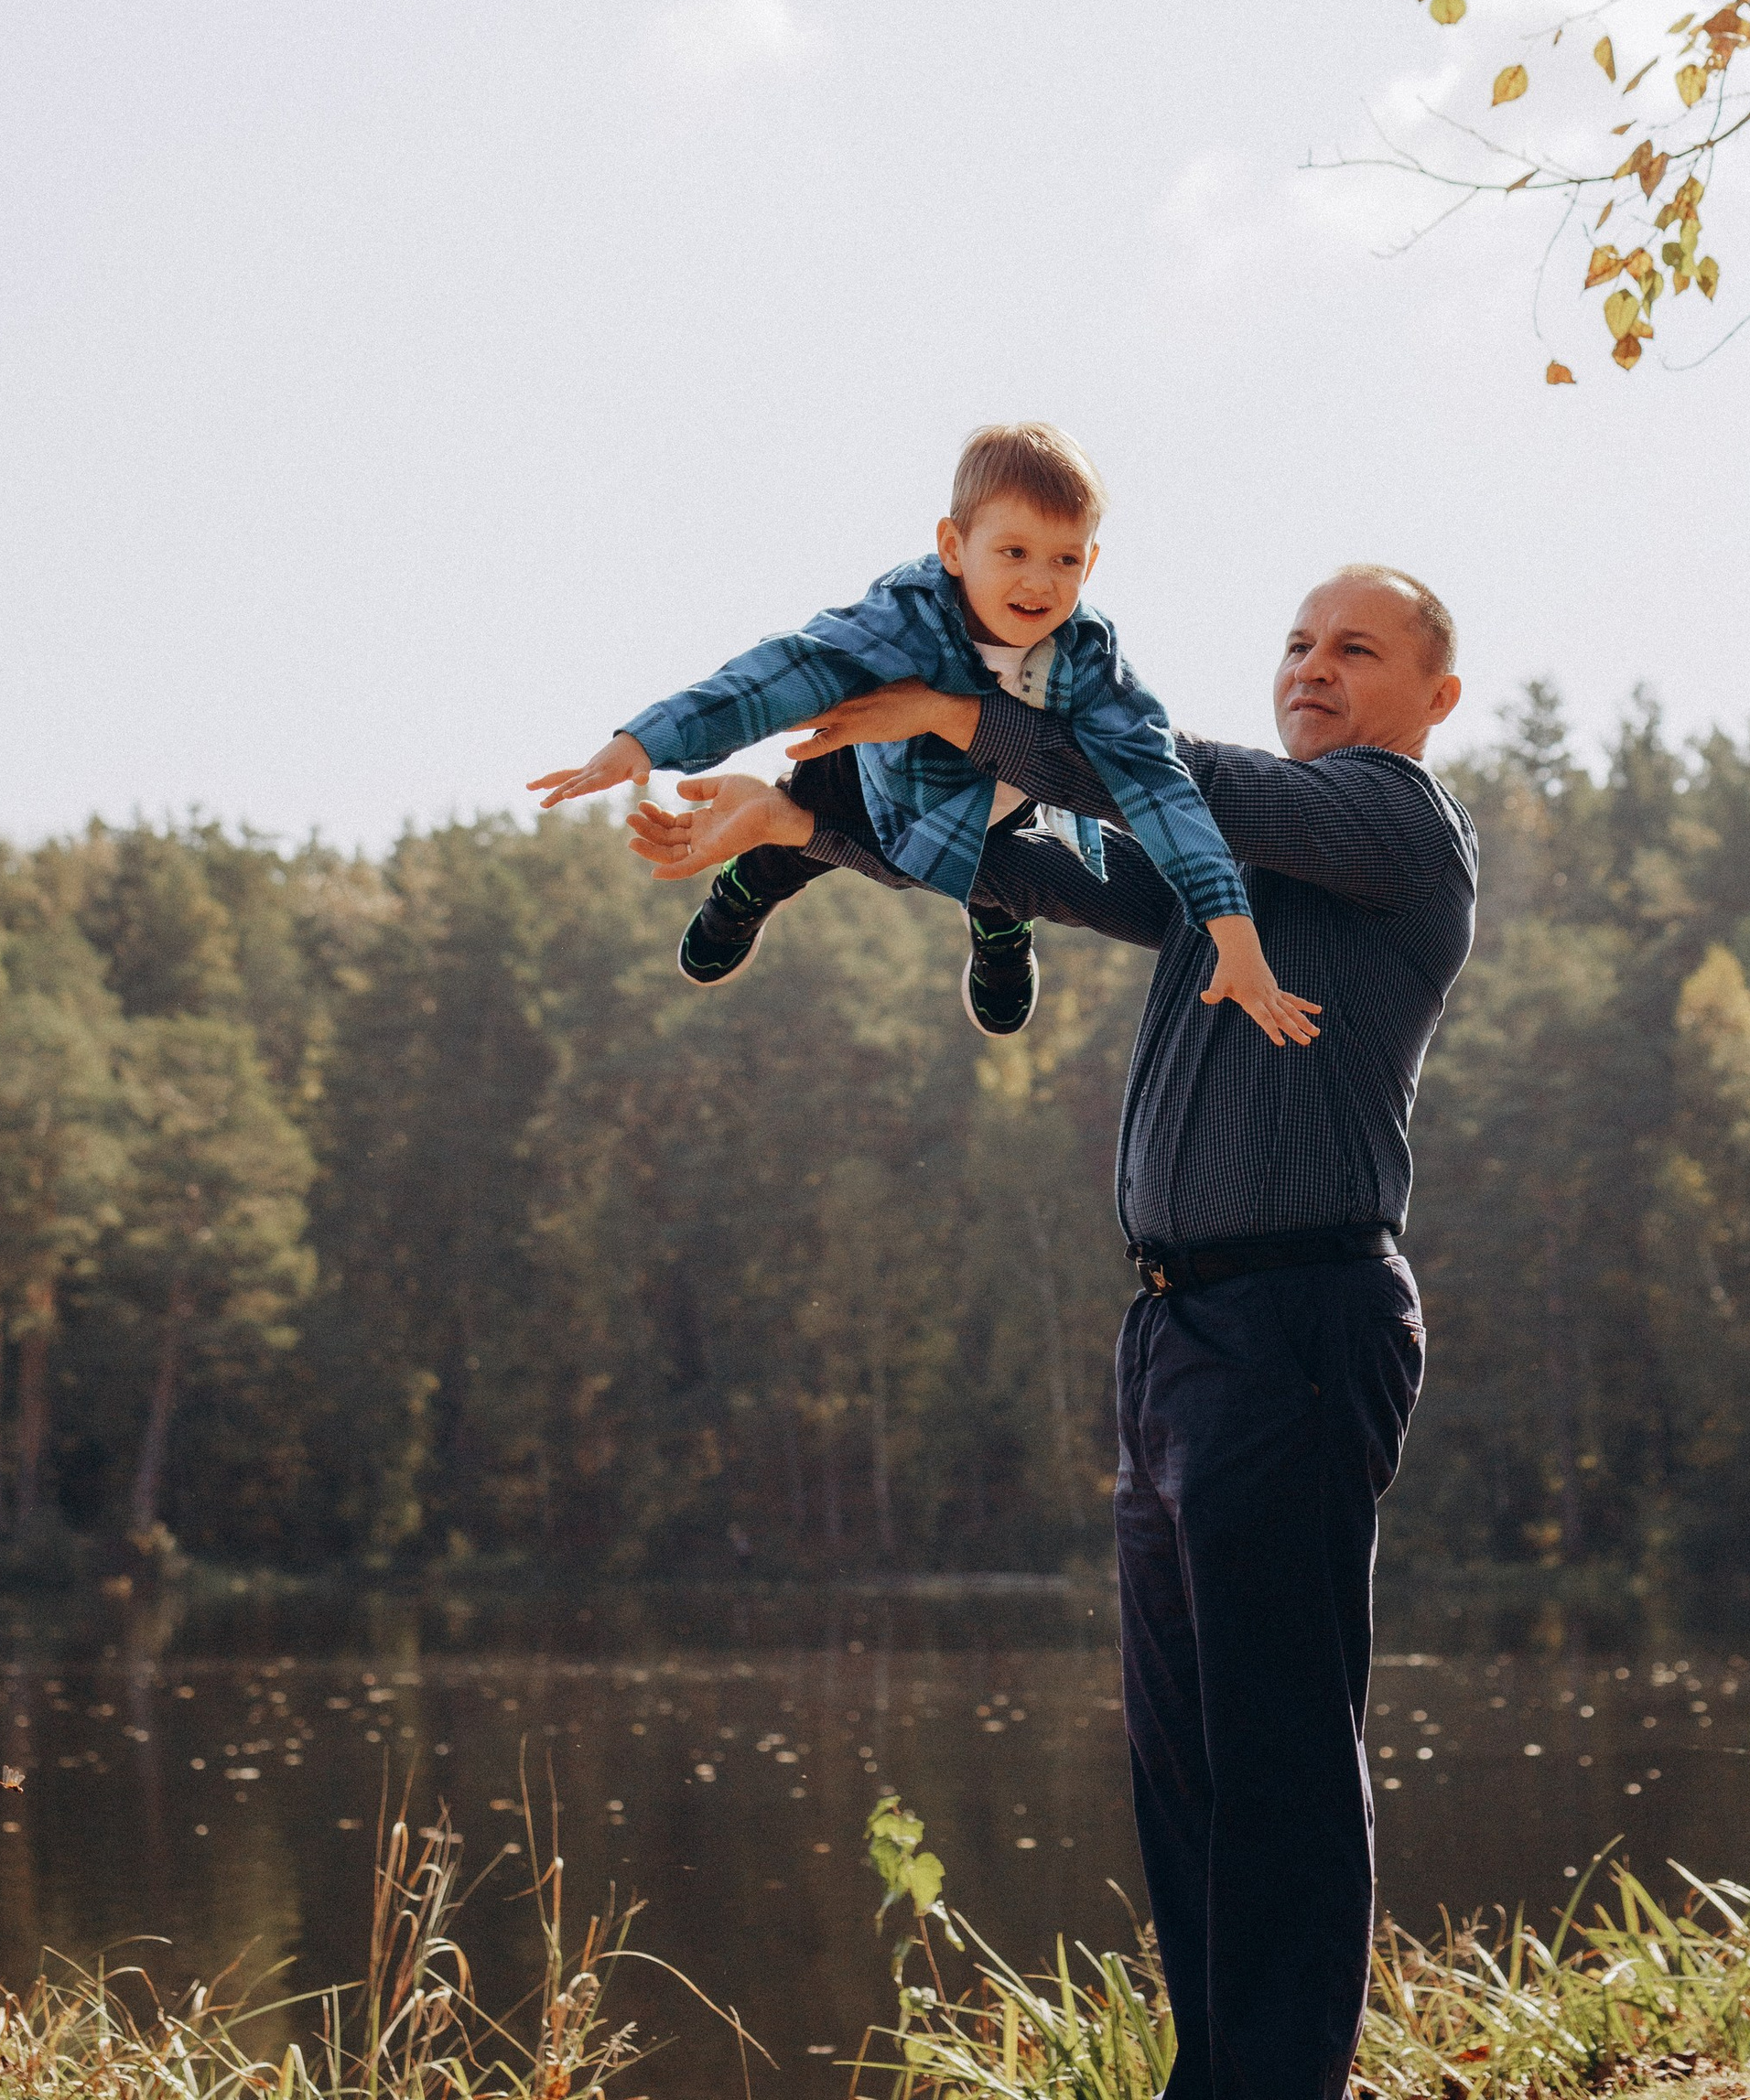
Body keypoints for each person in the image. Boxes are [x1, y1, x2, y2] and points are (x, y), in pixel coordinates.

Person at [626, 563, 1475, 2100]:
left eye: (1355, 648)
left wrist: (966, 707)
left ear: (1435, 697)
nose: (1311, 666)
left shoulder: (1399, 826)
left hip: (1299, 1318)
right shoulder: (1226, 869)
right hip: (1177, 1337)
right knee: (1186, 1758)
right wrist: (794, 824)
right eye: (1296, 641)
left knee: (1277, 1750)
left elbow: (1165, 771)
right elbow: (1032, 867)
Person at [529, 420, 1312, 1049]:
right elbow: (784, 672)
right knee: (806, 813)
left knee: (1009, 855)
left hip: (997, 802)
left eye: (1065, 560)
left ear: (1091, 563)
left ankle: (999, 924)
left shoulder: (1087, 659)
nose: (1038, 581)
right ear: (953, 548)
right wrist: (646, 741)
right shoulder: (906, 616)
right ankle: (750, 884)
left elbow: (1159, 787)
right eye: (1013, 552)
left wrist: (1233, 933)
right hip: (871, 766)